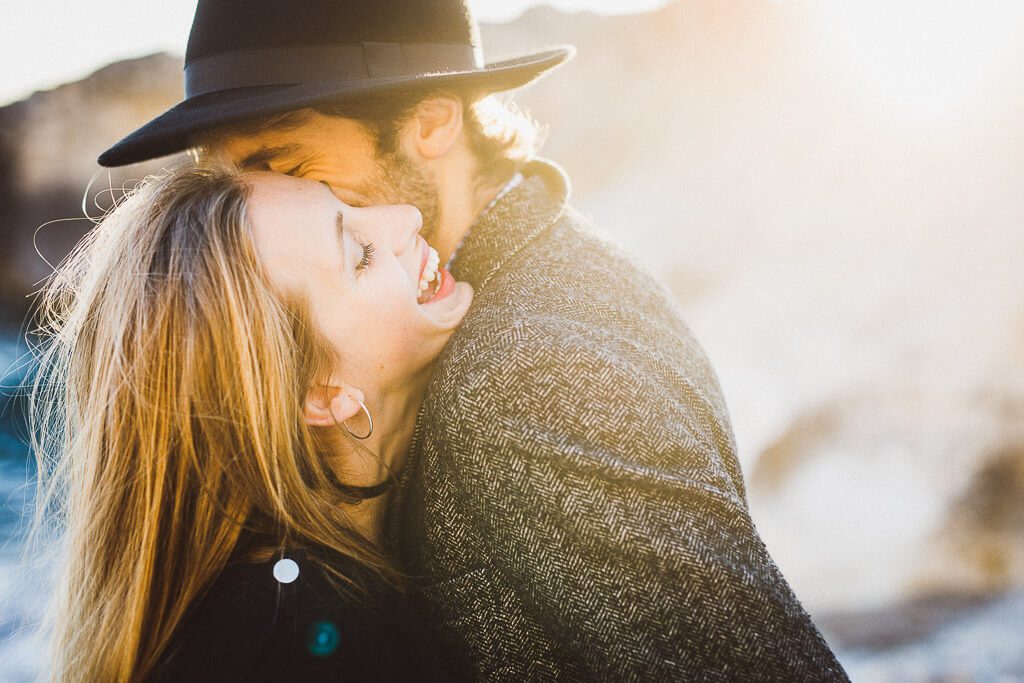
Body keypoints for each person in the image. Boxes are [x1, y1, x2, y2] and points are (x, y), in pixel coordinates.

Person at [98, 0, 850, 679]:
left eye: (286, 164)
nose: (258, 202)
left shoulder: (526, 374)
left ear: (430, 123)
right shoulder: (548, 260)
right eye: (229, 179)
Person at [29, 164, 474, 681]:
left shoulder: (271, 604)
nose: (406, 216)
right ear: (323, 394)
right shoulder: (314, 642)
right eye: (361, 256)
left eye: (346, 203)